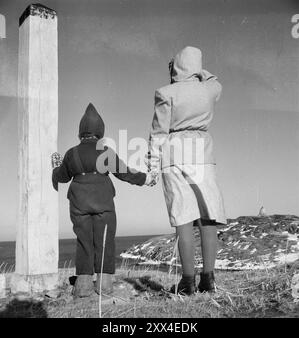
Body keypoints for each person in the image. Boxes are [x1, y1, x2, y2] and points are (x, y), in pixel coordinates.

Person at [52, 103, 156, 298]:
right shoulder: (105, 151)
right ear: (100, 131)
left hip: (78, 203)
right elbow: (125, 173)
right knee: (105, 241)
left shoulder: (71, 153)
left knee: (84, 242)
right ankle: (104, 286)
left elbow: (63, 177)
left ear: (81, 131)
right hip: (104, 203)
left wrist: (55, 167)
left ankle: (83, 286)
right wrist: (146, 179)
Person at [146, 46, 226, 295]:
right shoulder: (210, 89)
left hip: (174, 153)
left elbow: (158, 132)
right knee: (208, 215)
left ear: (176, 66)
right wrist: (195, 72)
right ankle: (208, 279)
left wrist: (151, 165)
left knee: (183, 215)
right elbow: (213, 79)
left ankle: (188, 281)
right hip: (203, 151)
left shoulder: (166, 92)